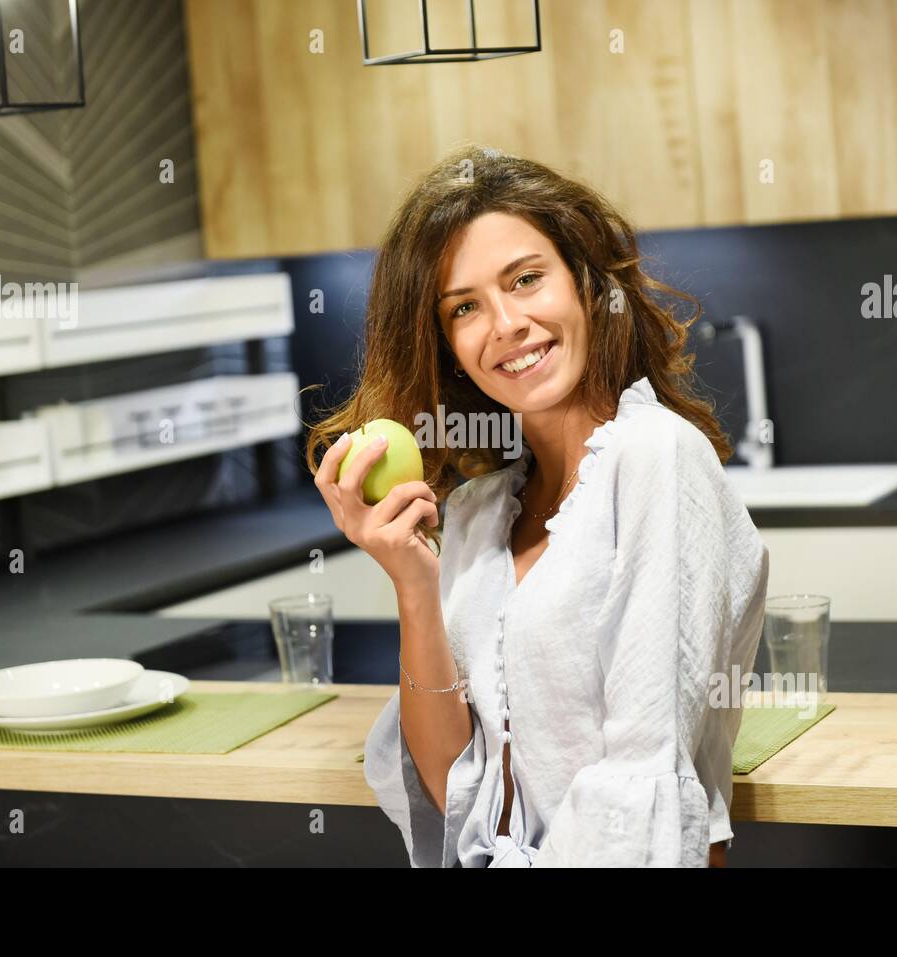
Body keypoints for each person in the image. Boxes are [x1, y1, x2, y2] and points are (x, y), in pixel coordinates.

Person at [306, 145, 769, 867]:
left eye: (526, 279)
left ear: (586, 284)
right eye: (465, 307)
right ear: (449, 344)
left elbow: (639, 786)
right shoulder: (477, 511)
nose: (507, 324)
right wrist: (413, 581)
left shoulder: (657, 457)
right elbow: (454, 788)